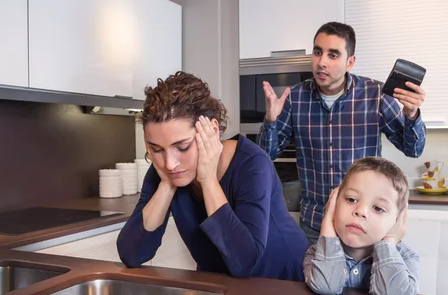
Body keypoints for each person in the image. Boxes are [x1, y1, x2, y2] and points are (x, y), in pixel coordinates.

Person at [117, 71, 308, 281]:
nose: (170, 163)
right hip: (225, 286)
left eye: (182, 146)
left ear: (212, 131)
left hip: (285, 283)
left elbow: (245, 262)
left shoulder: (252, 164)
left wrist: (208, 180)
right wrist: (166, 185)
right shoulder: (165, 171)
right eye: (156, 149)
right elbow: (131, 254)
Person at [258, 21, 427, 245]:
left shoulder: (374, 95)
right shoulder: (295, 98)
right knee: (314, 280)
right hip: (315, 224)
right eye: (318, 52)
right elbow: (265, 155)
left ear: (350, 62)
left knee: (365, 281)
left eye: (333, 55)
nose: (321, 62)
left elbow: (413, 149)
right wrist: (270, 120)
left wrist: (411, 114)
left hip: (363, 222)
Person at [303, 156, 419, 295]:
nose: (361, 211)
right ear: (334, 202)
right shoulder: (318, 253)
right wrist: (328, 225)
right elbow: (326, 287)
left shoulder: (407, 259)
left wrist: (388, 242)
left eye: (378, 208)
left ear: (398, 219)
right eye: (351, 199)